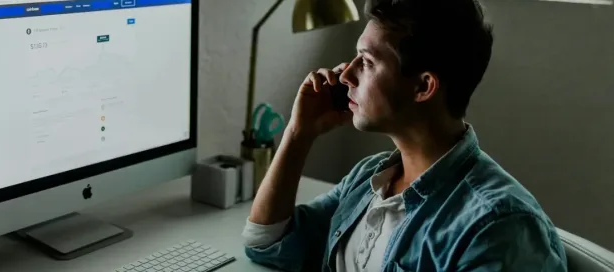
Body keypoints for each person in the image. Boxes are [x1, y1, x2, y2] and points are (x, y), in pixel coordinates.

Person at [241, 0, 568, 271]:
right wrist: (299, 133)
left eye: (367, 62)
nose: (347, 74)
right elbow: (266, 244)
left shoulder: (498, 228)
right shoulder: (369, 178)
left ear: (423, 86)